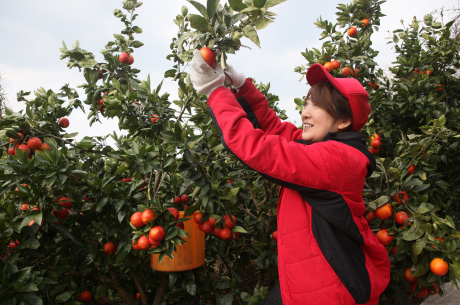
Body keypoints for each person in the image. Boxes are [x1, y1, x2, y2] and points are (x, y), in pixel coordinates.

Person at [190, 49, 391, 305]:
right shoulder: (320, 148)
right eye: (307, 102)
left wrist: (214, 90)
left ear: (342, 121)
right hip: (306, 281)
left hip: (330, 291)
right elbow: (273, 129)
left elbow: (257, 147)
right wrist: (242, 86)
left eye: (317, 105)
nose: (305, 112)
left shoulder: (337, 160)